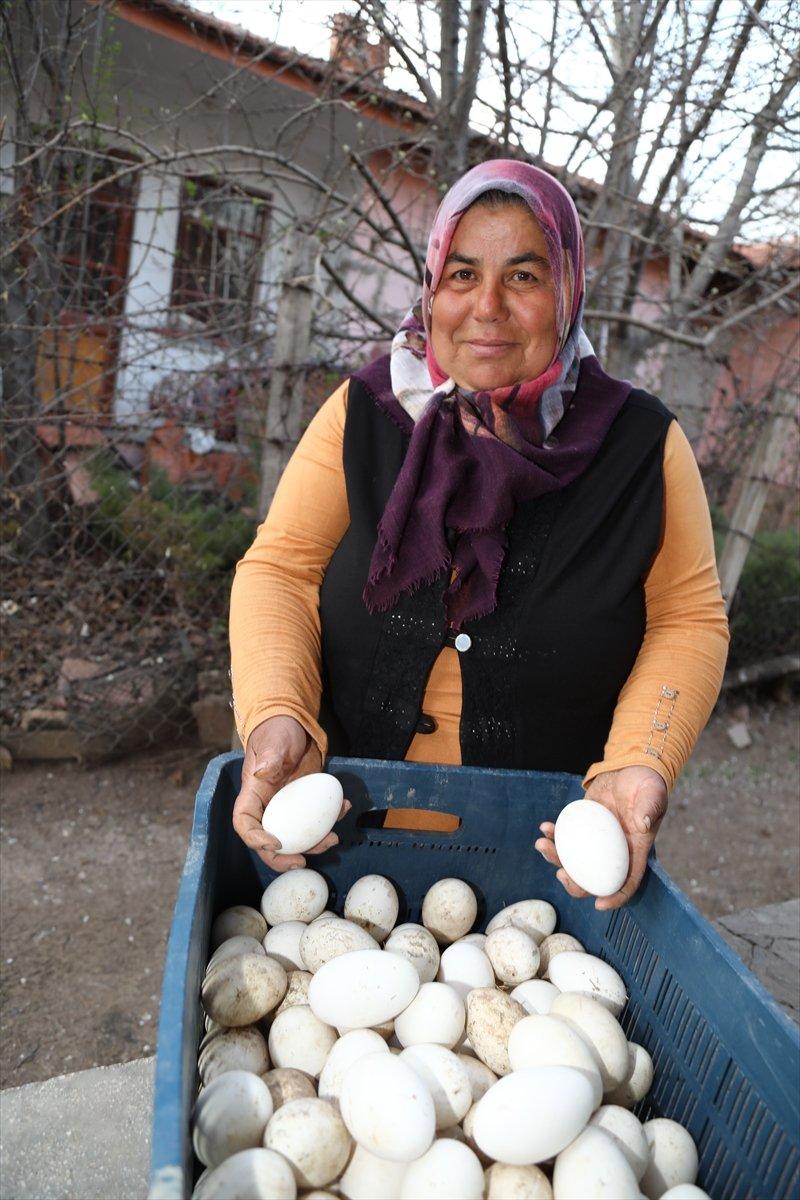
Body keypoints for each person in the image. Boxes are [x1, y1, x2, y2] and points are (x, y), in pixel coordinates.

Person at [228, 160, 729, 908]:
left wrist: (640, 760)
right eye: (462, 274)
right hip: (337, 843)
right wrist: (277, 713)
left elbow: (686, 619)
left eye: (524, 277)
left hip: (544, 863)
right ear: (433, 287)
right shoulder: (367, 412)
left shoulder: (640, 446)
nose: (486, 307)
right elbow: (282, 569)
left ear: (567, 291)